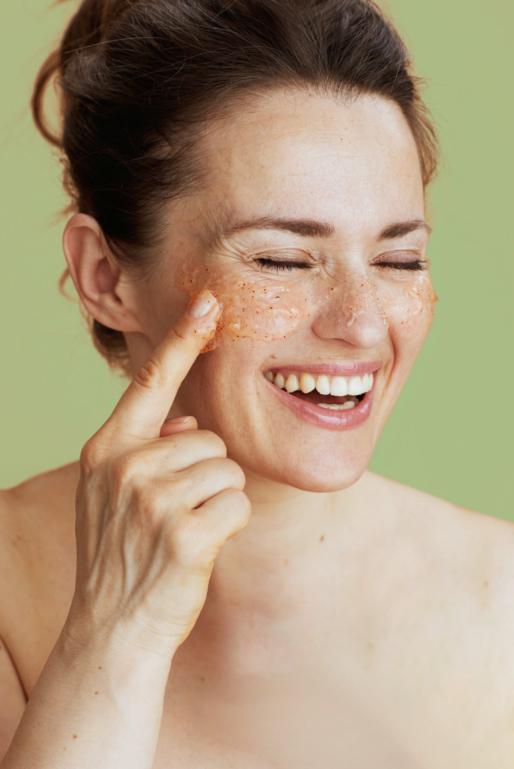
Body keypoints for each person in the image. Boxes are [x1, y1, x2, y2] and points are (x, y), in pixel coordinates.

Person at [1, 1, 513, 767]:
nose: (362, 325)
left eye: (399, 260)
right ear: (105, 275)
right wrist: (113, 633)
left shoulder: (501, 605)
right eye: (281, 260)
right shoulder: (10, 595)